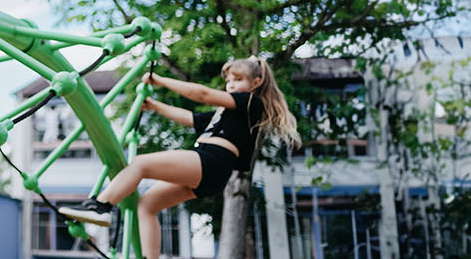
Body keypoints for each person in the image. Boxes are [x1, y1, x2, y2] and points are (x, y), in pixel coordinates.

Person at [58, 57, 301, 259]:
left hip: (212, 160)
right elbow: (191, 118)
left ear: (256, 82)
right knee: (147, 205)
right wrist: (156, 106)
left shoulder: (250, 102)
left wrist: (161, 80)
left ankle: (100, 206)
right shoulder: (225, 113)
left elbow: (203, 94)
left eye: (238, 80)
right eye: (228, 81)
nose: (231, 85)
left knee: (141, 164)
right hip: (211, 173)